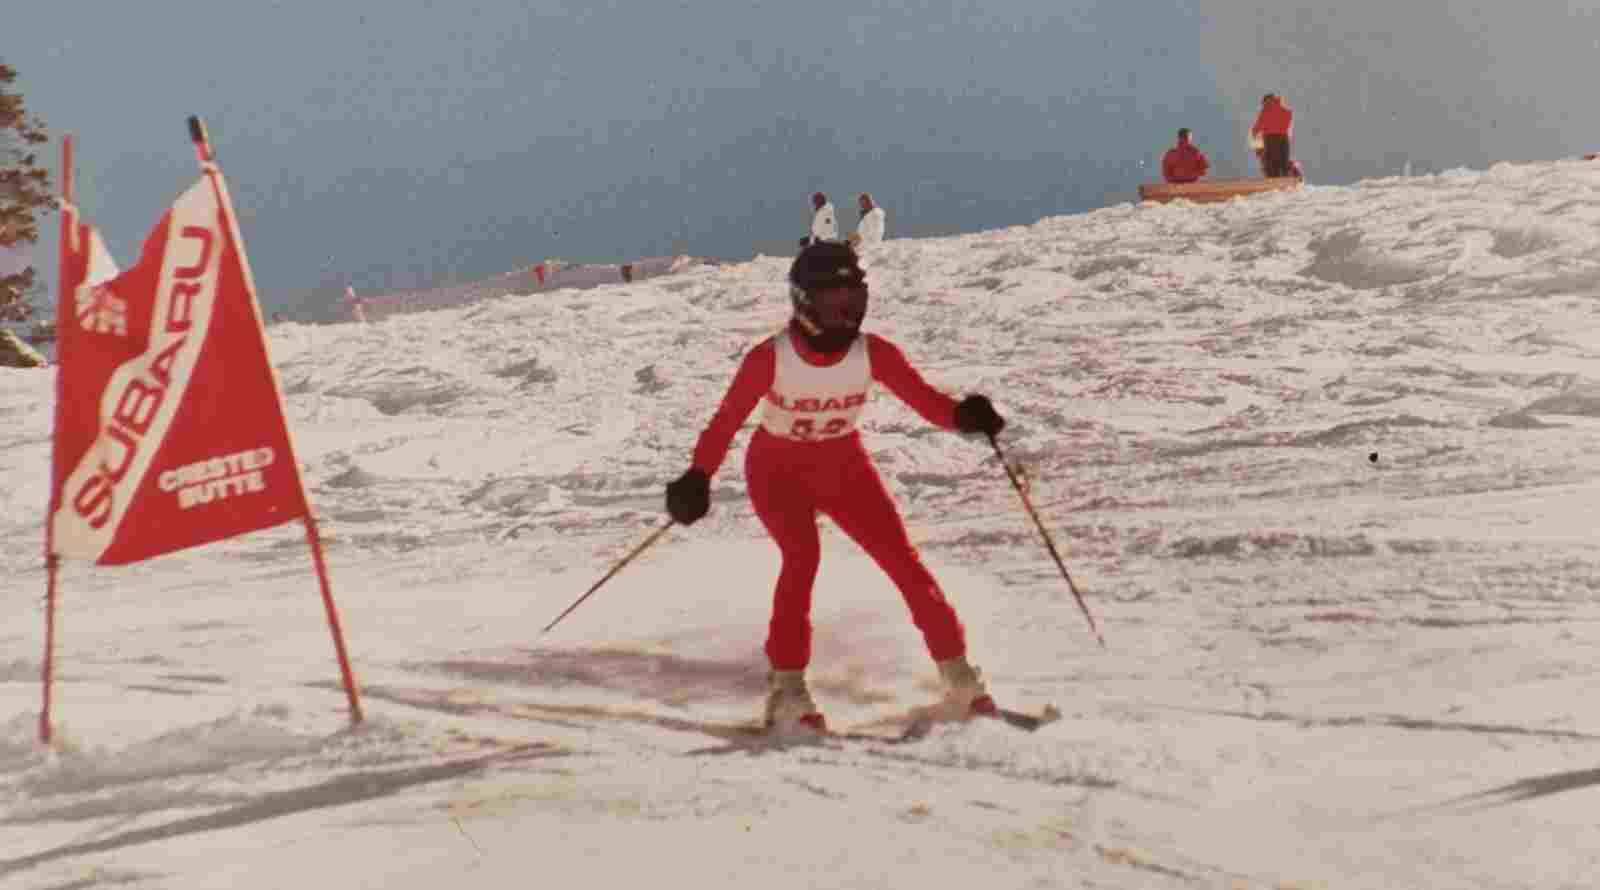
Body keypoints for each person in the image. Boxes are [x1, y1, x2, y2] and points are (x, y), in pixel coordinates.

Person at [663, 240, 1007, 734]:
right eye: (834, 302)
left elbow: (928, 403)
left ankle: (957, 675)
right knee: (802, 557)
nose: (847, 314)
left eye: (856, 301)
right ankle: (786, 689)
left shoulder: (874, 354)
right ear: (805, 304)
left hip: (844, 467)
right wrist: (698, 477)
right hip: (776, 470)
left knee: (902, 560)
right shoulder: (770, 358)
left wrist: (964, 417)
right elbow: (725, 423)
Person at [1251, 93, 1295, 178]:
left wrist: (1254, 134)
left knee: (1271, 162)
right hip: (1283, 138)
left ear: (1266, 101)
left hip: (1270, 139)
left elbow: (1257, 126)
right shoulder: (1286, 110)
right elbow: (1289, 120)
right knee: (1283, 160)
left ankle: (1273, 181)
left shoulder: (1265, 110)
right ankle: (1287, 178)